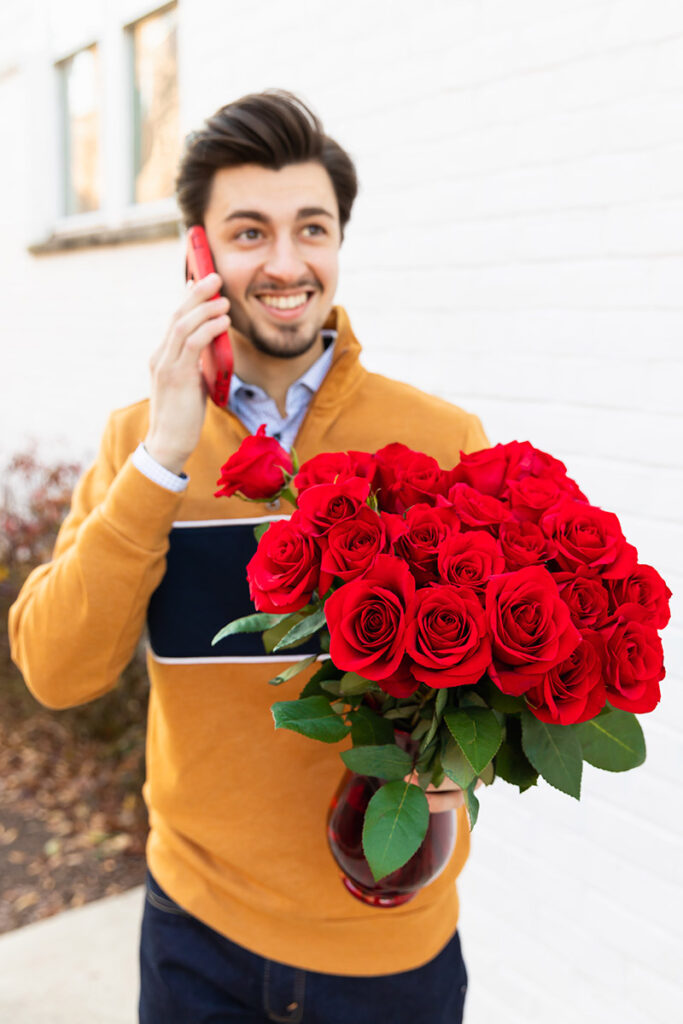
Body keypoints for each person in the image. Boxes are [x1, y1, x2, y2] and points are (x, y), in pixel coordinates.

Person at [9, 90, 489, 1024]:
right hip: (199, 940)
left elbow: (504, 683)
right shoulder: (139, 445)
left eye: (311, 228)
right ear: (198, 255)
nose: (284, 262)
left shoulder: (439, 439)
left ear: (338, 244)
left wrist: (449, 777)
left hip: (390, 946)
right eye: (247, 232)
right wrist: (160, 460)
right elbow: (58, 672)